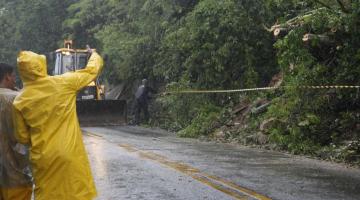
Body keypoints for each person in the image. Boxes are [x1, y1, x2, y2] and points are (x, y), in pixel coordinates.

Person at [12, 48, 103, 200]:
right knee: (76, 192)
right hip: (69, 153)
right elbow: (91, 71)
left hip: (43, 157)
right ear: (42, 66)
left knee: (48, 194)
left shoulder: (20, 101)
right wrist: (94, 54)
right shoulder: (63, 83)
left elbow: (22, 137)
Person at [0, 63, 32, 200]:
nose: (14, 80)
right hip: (16, 175)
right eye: (13, 77)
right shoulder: (16, 99)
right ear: (7, 77)